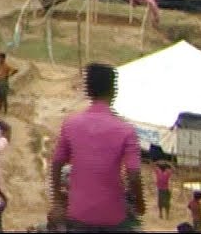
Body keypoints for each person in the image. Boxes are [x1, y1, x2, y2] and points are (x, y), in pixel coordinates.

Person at [49, 63, 144, 232]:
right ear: (113, 91)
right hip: (113, 217)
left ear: (89, 91)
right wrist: (139, 203)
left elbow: (56, 163)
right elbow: (134, 175)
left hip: (78, 214)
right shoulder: (126, 130)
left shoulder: (71, 124)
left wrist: (57, 200)